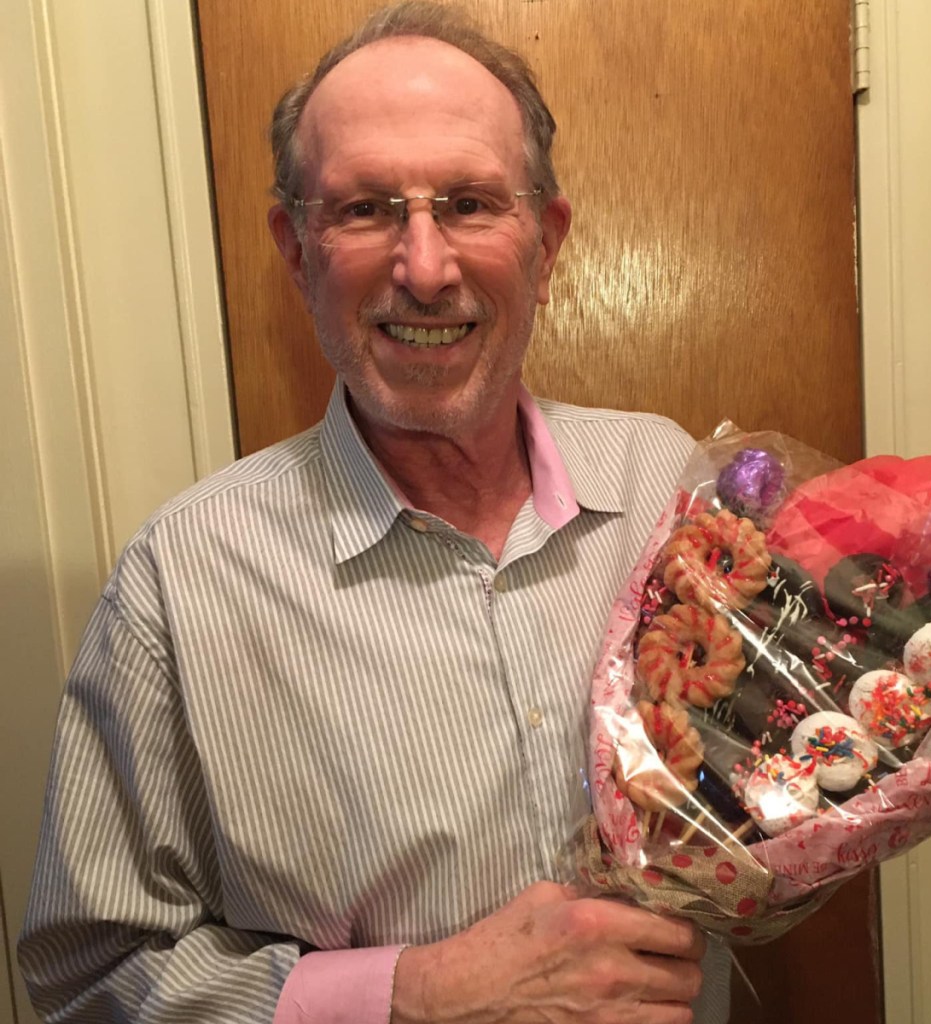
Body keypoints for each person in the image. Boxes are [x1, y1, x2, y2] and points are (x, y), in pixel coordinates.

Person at [19, 3, 730, 1021]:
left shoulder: (665, 478)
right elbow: (83, 981)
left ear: (547, 238)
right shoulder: (180, 584)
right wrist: (410, 995)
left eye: (472, 202)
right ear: (297, 247)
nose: (426, 268)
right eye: (364, 210)